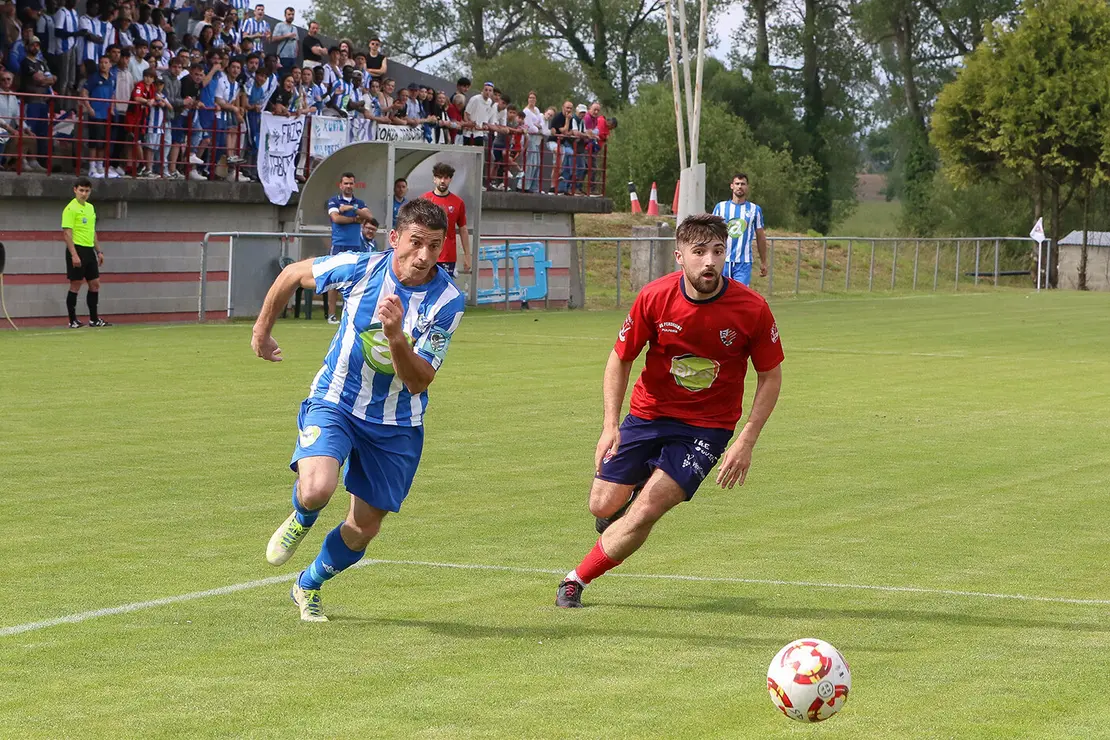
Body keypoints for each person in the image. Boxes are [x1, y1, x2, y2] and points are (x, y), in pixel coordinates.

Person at [554, 213, 784, 608]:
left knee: (646, 510)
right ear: (679, 256)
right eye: (699, 252)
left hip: (707, 428)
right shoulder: (655, 297)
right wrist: (610, 425)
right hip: (648, 414)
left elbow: (770, 376)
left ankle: (576, 579)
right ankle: (633, 493)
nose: (709, 261)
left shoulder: (752, 308)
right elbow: (620, 358)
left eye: (717, 251)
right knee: (602, 505)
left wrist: (747, 439)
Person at [252, 199, 467, 623]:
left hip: (396, 423)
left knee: (364, 527)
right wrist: (261, 332)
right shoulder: (361, 267)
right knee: (316, 489)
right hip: (337, 400)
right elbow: (293, 273)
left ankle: (308, 584)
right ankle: (302, 514)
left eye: (435, 246)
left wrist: (396, 336)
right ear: (394, 239)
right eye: (416, 242)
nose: (424, 256)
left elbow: (419, 380)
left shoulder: (447, 301)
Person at [61, 177, 112, 328]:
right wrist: (74, 255)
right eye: (81, 190)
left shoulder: (90, 208)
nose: (84, 194)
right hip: (77, 248)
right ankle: (72, 320)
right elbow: (66, 233)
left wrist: (99, 251)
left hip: (89, 249)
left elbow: (92, 231)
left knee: (95, 284)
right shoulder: (70, 209)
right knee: (76, 284)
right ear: (75, 190)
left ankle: (94, 319)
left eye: (87, 191)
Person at [325, 171, 373, 324]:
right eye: (346, 183)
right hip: (339, 245)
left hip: (355, 246)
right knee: (334, 280)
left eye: (351, 183)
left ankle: (350, 314)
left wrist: (350, 208)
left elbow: (369, 217)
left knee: (354, 281)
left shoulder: (358, 202)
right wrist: (354, 218)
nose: (348, 186)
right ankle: (331, 314)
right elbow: (336, 218)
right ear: (340, 185)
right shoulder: (334, 201)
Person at [711, 172, 768, 286]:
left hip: (743, 263)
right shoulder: (720, 207)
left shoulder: (754, 209)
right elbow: (711, 233)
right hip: (722, 260)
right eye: (737, 183)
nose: (740, 186)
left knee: (739, 295)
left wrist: (763, 262)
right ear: (732, 186)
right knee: (720, 294)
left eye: (743, 184)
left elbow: (760, 236)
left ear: (747, 187)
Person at [420, 162, 470, 277]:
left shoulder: (458, 202)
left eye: (446, 177)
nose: (442, 181)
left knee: (444, 290)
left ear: (450, 180)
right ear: (434, 179)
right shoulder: (424, 200)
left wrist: (467, 255)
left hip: (448, 256)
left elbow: (463, 229)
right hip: (426, 253)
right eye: (439, 177)